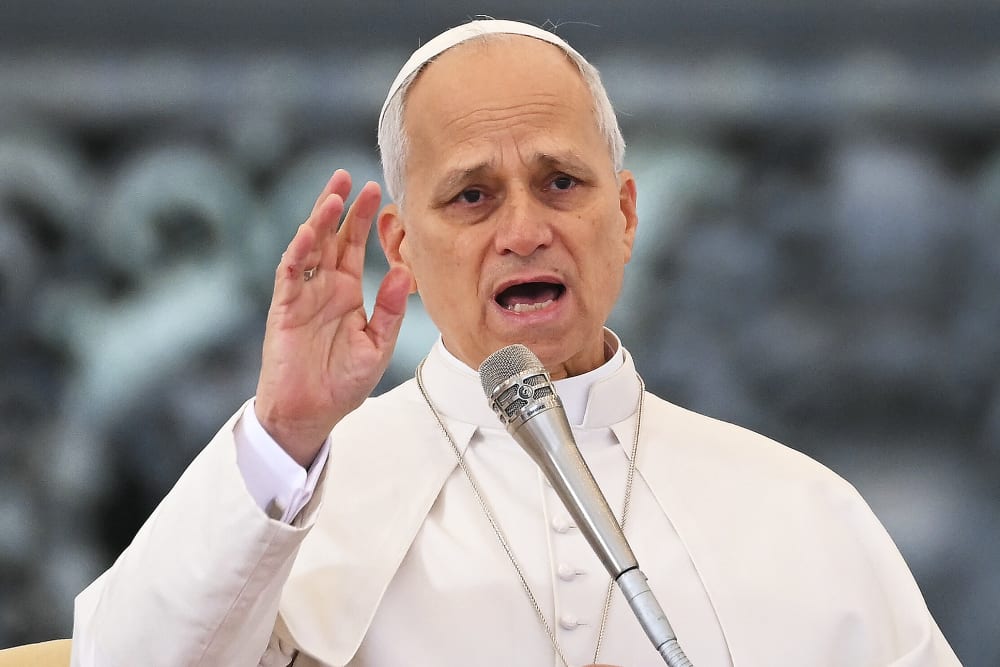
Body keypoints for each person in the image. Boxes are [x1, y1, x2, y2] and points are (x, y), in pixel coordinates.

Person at [71, 19, 960, 667]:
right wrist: (282, 431)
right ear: (404, 249)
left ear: (623, 216)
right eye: (472, 196)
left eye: (561, 182)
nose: (525, 229)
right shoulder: (302, 498)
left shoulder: (801, 511)